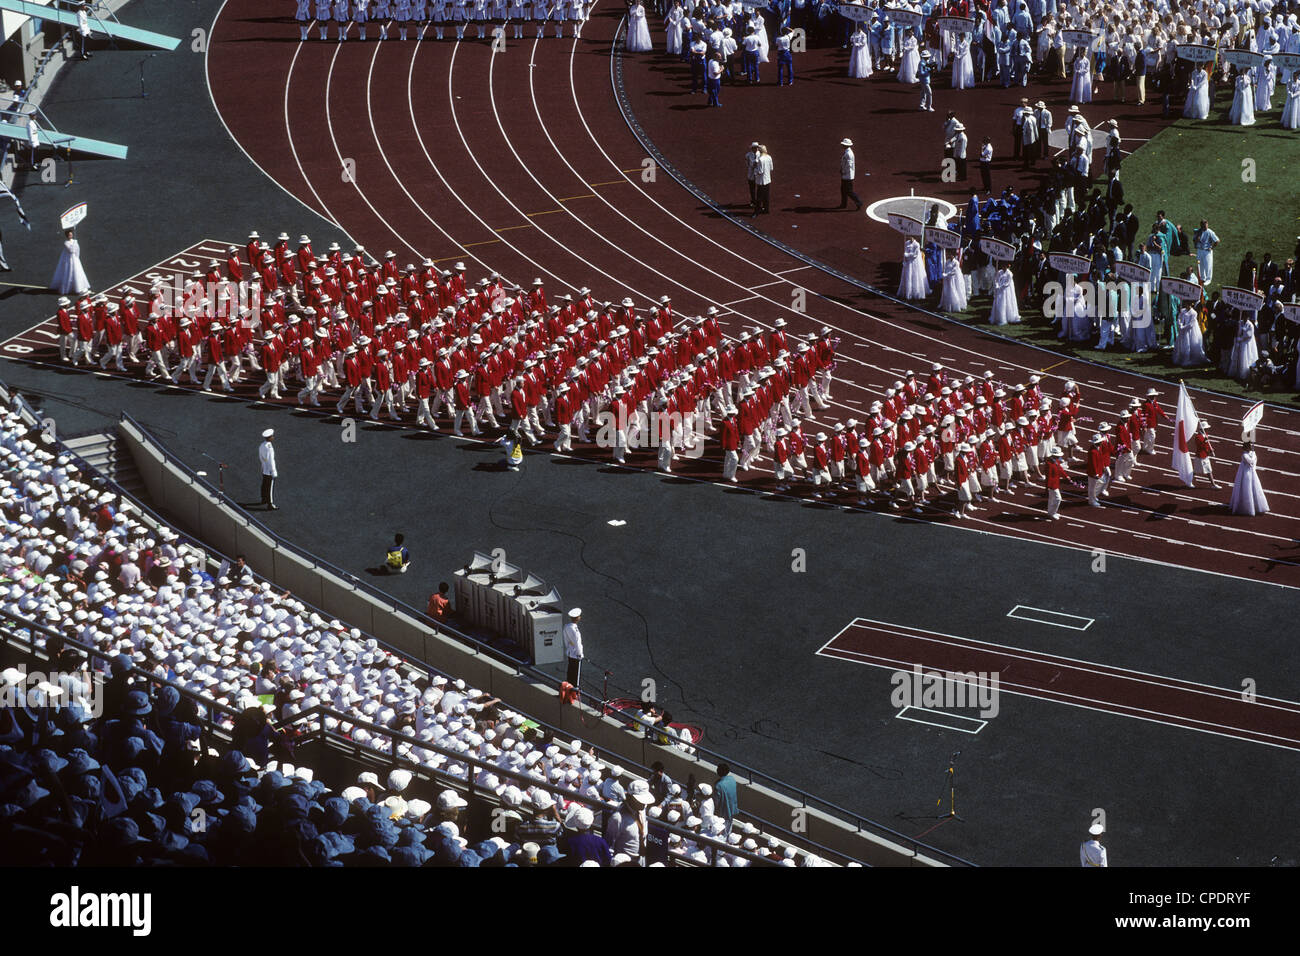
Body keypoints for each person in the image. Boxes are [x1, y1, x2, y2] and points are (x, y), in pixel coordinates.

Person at [1229, 442, 1269, 516]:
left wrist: (1254, 455)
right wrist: (1254, 456)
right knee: (1246, 488)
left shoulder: (1251, 453)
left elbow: (1254, 463)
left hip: (1251, 472)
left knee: (1254, 488)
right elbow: (1250, 462)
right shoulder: (1244, 455)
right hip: (1245, 473)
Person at [52, 227, 90, 296]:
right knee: (69, 272)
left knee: (77, 271)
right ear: (67, 236)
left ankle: (80, 287)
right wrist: (75, 244)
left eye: (71, 234)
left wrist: (77, 257)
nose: (70, 235)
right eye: (69, 235)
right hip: (69, 259)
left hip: (75, 258)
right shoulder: (66, 243)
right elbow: (71, 250)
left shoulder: (75, 241)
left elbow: (78, 250)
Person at [1172, 302, 1208, 366]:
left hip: (1190, 330)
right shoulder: (1182, 311)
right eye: (1186, 304)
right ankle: (1181, 357)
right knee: (1182, 343)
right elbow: (1179, 318)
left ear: (1191, 305)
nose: (1186, 306)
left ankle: (1189, 357)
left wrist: (1184, 327)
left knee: (1190, 342)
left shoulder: (1194, 313)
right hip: (1182, 330)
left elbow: (1191, 323)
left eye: (1188, 305)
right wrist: (1180, 324)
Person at [714, 763, 739, 839]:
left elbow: (716, 802)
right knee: (728, 831)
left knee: (721, 834)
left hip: (723, 813)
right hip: (732, 811)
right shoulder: (732, 779)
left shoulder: (718, 786)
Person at [837, 138, 863, 211]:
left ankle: (859, 202)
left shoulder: (848, 154)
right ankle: (843, 204)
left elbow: (848, 165)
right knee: (843, 190)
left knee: (848, 191)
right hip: (847, 175)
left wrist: (843, 171)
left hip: (847, 175)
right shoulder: (848, 152)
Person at [1190, 422, 1217, 489]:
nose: (1207, 430)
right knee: (1195, 471)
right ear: (1202, 429)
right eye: (1206, 428)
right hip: (1200, 457)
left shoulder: (1206, 435)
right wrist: (1205, 441)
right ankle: (1189, 481)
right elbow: (1200, 446)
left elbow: (1207, 445)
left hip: (1205, 456)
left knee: (1209, 470)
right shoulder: (1198, 437)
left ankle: (1213, 484)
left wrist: (1210, 450)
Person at [1194, 220, 1219, 285]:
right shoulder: (1198, 231)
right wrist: (1197, 240)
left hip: (1207, 251)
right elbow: (1194, 239)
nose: (1205, 227)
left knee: (1208, 265)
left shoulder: (1210, 232)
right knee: (1200, 264)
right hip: (1199, 250)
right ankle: (1202, 277)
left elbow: (1217, 240)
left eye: (1206, 226)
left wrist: (1212, 248)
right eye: (1203, 226)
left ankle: (1208, 279)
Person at [259, 428, 279, 510]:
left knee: (264, 485)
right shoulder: (269, 447)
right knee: (270, 487)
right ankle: (270, 504)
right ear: (269, 437)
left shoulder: (262, 445)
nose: (273, 437)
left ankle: (263, 499)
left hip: (264, 468)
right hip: (269, 470)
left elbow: (261, 457)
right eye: (272, 436)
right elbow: (271, 460)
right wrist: (273, 471)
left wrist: (263, 466)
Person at [563, 607, 583, 686]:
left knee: (570, 672)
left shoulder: (566, 627)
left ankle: (568, 688)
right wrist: (579, 654)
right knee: (576, 676)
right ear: (577, 618)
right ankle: (574, 690)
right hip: (576, 655)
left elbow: (566, 640)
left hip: (570, 653)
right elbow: (577, 643)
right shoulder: (575, 630)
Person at [751, 144, 772, 216]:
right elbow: (771, 168)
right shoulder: (769, 157)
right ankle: (766, 209)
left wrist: (755, 169)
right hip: (768, 180)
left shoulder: (760, 159)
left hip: (761, 181)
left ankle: (756, 212)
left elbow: (760, 171)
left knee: (759, 197)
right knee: (766, 196)